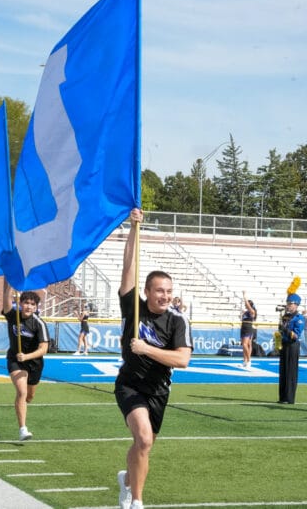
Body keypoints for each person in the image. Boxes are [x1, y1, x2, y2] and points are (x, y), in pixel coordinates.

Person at [114, 208, 193, 509]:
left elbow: (182, 360)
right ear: (146, 291)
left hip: (160, 390)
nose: (165, 295)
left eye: (169, 291)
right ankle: (136, 502)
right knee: (144, 440)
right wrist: (135, 228)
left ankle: (127, 480)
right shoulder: (134, 306)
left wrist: (147, 349)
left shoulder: (177, 321)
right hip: (131, 386)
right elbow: (128, 268)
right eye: (159, 290)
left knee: (143, 447)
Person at [2, 279, 50, 441]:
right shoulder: (13, 316)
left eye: (32, 304)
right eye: (26, 303)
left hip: (34, 362)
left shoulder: (39, 324)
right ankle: (23, 429)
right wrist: (11, 281)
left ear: (36, 307)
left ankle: (22, 405)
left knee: (29, 397)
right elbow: (6, 300)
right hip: (16, 360)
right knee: (21, 392)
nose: (29, 306)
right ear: (20, 303)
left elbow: (44, 349)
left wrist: (27, 356)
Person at [278, 292, 305, 404]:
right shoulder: (286, 316)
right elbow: (280, 331)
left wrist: (284, 329)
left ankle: (289, 398)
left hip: (293, 346)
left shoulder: (299, 318)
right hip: (284, 344)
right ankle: (283, 397)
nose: (288, 305)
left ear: (296, 305)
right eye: (287, 303)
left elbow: (295, 335)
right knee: (283, 371)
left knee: (291, 372)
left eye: (290, 303)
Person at [240, 292, 257, 370]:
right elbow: (241, 319)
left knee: (245, 344)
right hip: (243, 327)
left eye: (247, 305)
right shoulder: (246, 312)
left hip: (248, 328)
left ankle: (249, 361)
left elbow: (247, 304)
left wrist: (244, 296)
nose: (245, 306)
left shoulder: (252, 311)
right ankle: (245, 361)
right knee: (245, 345)